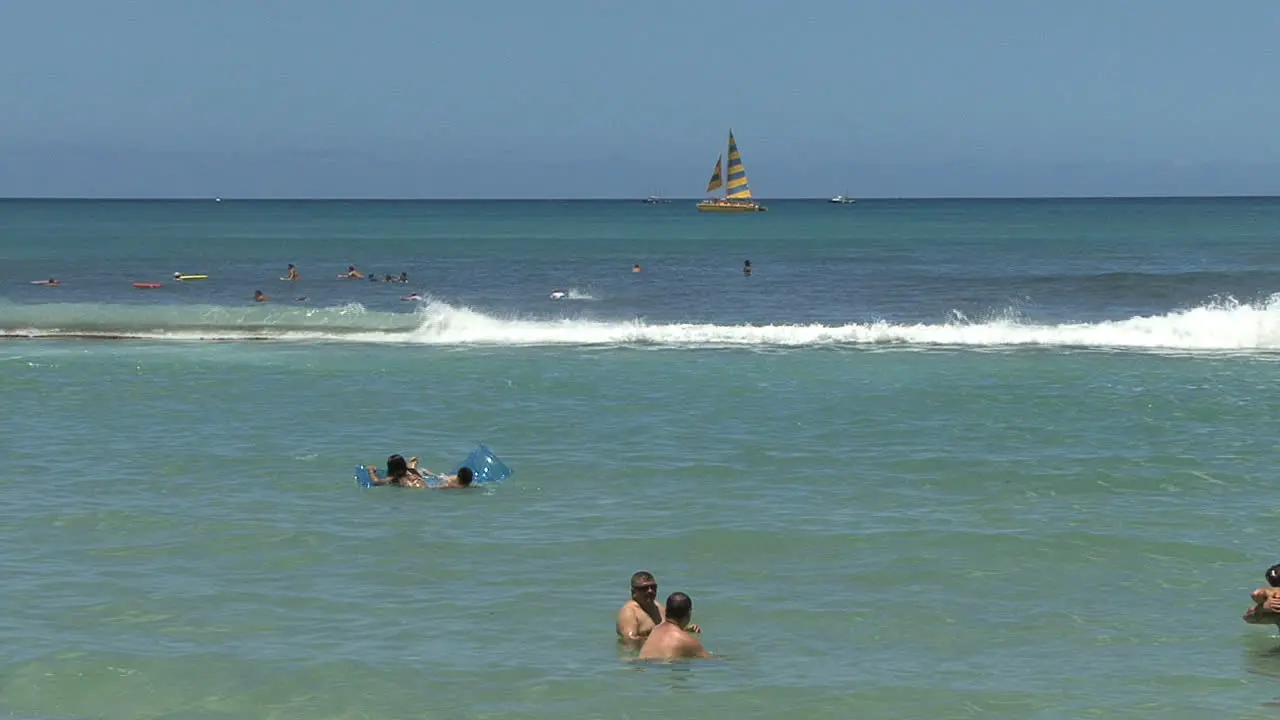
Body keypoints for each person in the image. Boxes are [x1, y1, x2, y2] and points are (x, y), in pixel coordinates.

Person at [616, 571, 699, 643]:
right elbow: (630, 640)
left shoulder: (658, 607)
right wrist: (660, 639)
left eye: (653, 587)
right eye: (644, 588)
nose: (650, 591)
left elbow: (668, 627)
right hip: (637, 659)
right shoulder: (629, 612)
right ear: (633, 592)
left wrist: (685, 630)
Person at [636, 592, 710, 660]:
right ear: (689, 612)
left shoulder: (655, 630)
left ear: (666, 611)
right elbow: (709, 660)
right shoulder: (687, 641)